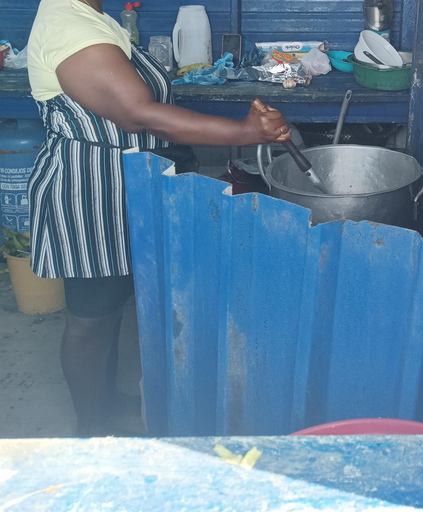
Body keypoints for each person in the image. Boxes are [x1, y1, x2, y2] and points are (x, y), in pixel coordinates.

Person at [26, 0, 291, 436]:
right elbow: (138, 114)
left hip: (122, 181)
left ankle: (107, 404)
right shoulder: (68, 24)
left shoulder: (91, 16)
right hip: (91, 188)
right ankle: (91, 429)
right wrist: (245, 133)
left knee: (109, 308)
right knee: (91, 318)